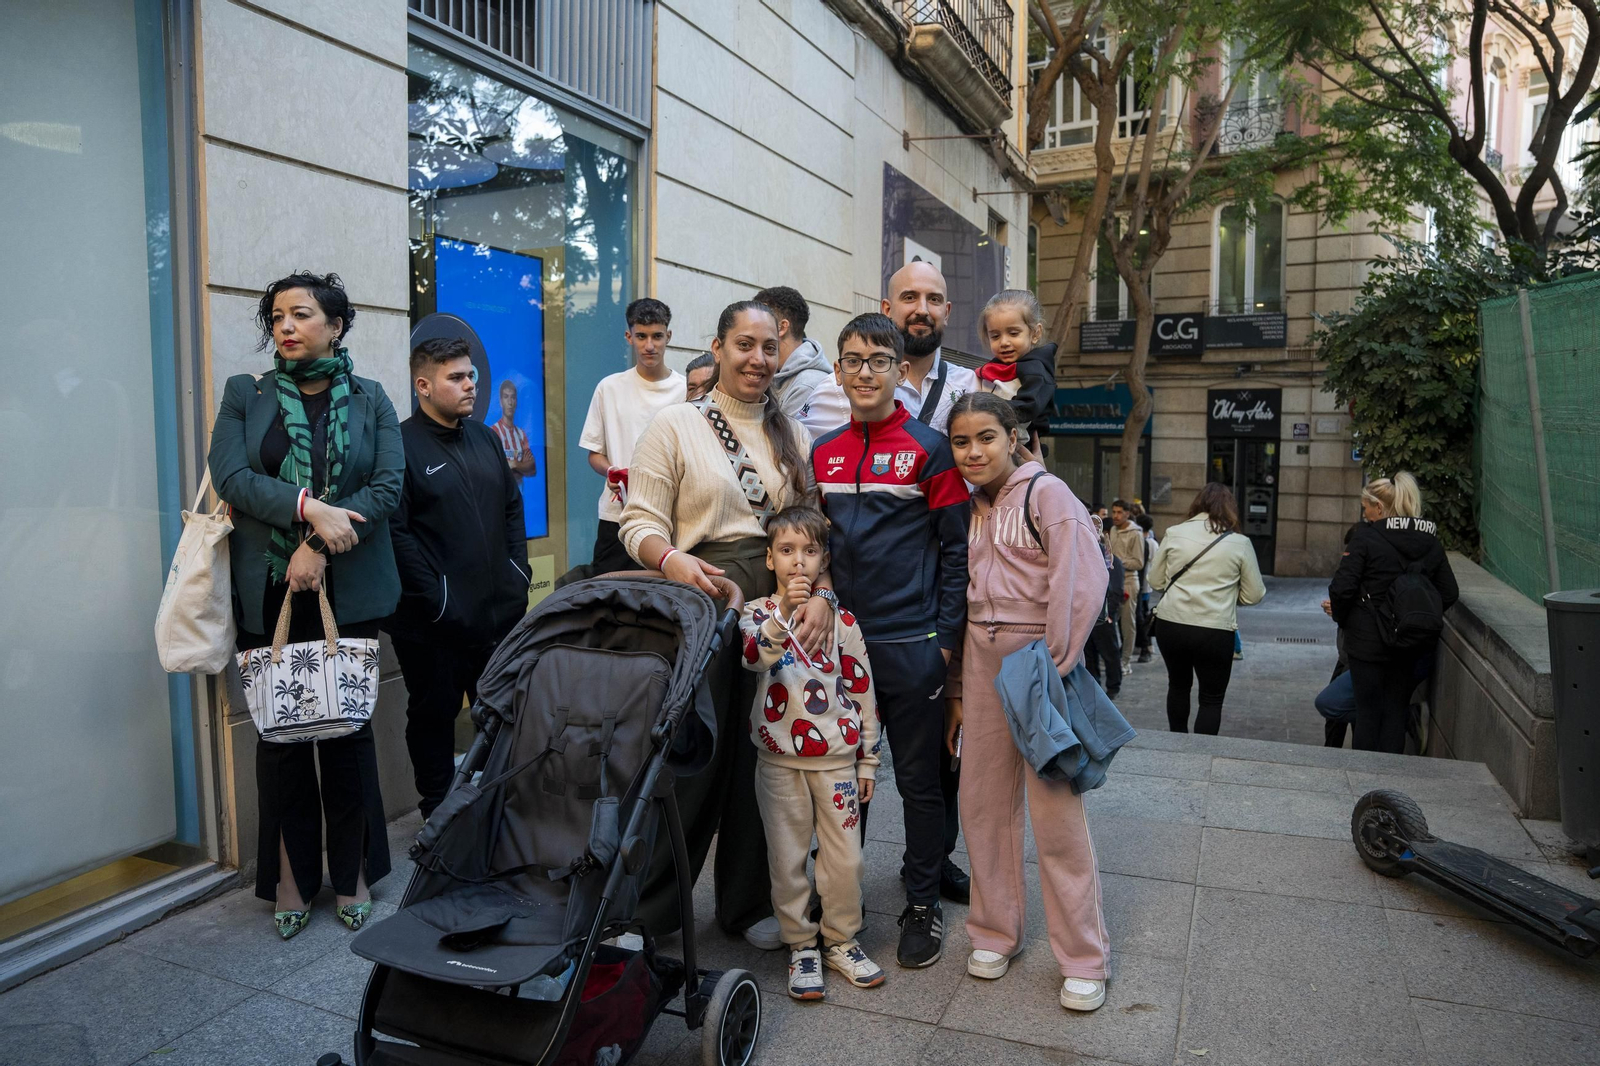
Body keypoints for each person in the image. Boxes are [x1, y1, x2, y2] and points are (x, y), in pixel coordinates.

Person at [619, 300, 826, 948]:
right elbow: (639, 522)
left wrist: (819, 592)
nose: (758, 358)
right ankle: (646, 912)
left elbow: (813, 532)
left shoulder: (794, 434)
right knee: (690, 763)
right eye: (744, 344)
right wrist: (674, 560)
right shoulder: (675, 425)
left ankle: (748, 904)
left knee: (766, 759)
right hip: (706, 603)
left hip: (781, 611)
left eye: (770, 347)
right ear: (717, 348)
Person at [208, 271, 402, 938]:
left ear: (336, 325)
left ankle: (350, 873)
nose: (285, 327)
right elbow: (233, 476)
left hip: (348, 586)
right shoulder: (246, 395)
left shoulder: (373, 399)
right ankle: (289, 876)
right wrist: (305, 506)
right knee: (280, 735)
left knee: (346, 731)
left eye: (300, 314)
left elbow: (386, 487)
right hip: (268, 590)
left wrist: (317, 542)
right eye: (277, 317)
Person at [810, 312, 970, 967]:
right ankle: (840, 905)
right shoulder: (823, 453)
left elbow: (957, 554)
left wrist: (944, 647)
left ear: (900, 370)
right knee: (845, 785)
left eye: (879, 360)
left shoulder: (930, 448)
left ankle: (923, 905)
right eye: (853, 360)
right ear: (839, 372)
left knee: (920, 785)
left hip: (913, 645)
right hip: (844, 651)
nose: (866, 372)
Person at [943, 391, 1111, 1012]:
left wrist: (1054, 663)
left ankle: (1084, 958)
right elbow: (961, 602)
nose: (973, 451)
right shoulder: (967, 506)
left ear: (1013, 436)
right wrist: (958, 686)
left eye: (985, 437)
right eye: (961, 442)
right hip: (981, 663)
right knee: (982, 803)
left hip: (1037, 664)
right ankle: (993, 932)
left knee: (1056, 812)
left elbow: (1083, 580)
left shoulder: (1049, 495)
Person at [739, 505, 886, 1000]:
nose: (797, 562)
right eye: (786, 551)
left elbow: (863, 691)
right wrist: (782, 614)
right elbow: (753, 659)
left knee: (845, 860)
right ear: (769, 558)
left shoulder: (842, 622)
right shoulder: (757, 615)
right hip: (778, 762)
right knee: (786, 859)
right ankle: (800, 942)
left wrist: (868, 759)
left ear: (823, 559)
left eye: (808, 551)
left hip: (838, 762)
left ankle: (841, 939)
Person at [385, 337, 531, 821]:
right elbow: (396, 532)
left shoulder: (486, 437)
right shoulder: (399, 446)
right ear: (423, 385)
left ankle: (494, 811)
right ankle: (438, 816)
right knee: (433, 717)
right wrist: (439, 599)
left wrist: (517, 573)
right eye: (457, 377)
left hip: (496, 616)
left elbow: (512, 509)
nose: (471, 385)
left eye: (471, 375)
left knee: (503, 716)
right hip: (434, 624)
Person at [1328, 472, 1459, 754]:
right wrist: (1414, 619)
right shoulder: (1430, 542)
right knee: (1395, 712)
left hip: (1367, 643)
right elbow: (1449, 592)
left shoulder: (1365, 538)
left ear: (1380, 507)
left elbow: (1341, 588)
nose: (1364, 515)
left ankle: (1365, 782)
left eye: (1366, 508)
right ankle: (1391, 785)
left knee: (1367, 714)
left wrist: (1347, 620)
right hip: (1408, 645)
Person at [798, 260, 978, 438]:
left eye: (934, 299)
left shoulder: (971, 386)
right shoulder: (840, 387)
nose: (922, 310)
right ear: (887, 309)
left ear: (946, 312)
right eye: (910, 297)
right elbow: (798, 453)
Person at [580, 298, 686, 575]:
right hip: (616, 515)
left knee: (662, 598)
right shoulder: (609, 388)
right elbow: (594, 453)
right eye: (641, 336)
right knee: (607, 592)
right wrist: (612, 471)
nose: (649, 345)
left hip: (669, 516)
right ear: (629, 337)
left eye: (656, 336)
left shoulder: (686, 390)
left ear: (668, 336)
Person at [1148, 484, 1266, 735]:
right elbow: (1254, 594)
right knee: (1211, 698)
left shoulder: (1174, 532)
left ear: (1197, 504)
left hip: (1171, 624)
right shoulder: (1240, 543)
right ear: (1230, 508)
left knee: (1178, 685)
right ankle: (1202, 753)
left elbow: (1155, 581)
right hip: (1215, 628)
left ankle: (1177, 742)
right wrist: (1228, 597)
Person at [975, 289, 1055, 453]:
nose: (1004, 342)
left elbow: (1028, 407)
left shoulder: (1036, 370)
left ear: (1035, 333)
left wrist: (985, 411)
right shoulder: (995, 367)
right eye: (995, 336)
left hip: (1021, 451)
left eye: (1013, 333)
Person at [754, 285, 834, 418]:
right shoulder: (775, 373)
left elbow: (784, 438)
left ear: (781, 327)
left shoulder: (807, 385)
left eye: (759, 321)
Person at [1082, 532, 1124, 698]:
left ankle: (1113, 687)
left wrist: (1109, 614)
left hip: (1103, 616)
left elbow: (1116, 590)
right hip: (1086, 615)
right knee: (1089, 653)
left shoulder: (1110, 559)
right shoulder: (1082, 556)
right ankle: (1094, 686)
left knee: (1109, 653)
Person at [1106, 500, 1145, 674]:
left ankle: (1125, 661)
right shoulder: (1112, 530)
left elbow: (1139, 562)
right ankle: (1113, 658)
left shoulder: (1136, 533)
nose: (1115, 515)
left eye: (1120, 512)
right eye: (1114, 511)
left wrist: (1118, 562)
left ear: (1127, 513)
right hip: (1112, 581)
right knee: (1110, 621)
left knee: (1128, 624)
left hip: (1129, 580)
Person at [491, 380, 536, 478]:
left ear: (516, 401)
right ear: (500, 401)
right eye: (506, 397)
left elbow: (532, 469)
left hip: (520, 492)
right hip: (500, 492)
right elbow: (492, 468)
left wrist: (514, 464)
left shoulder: (521, 434)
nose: (510, 402)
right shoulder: (493, 432)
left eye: (513, 397)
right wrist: (522, 466)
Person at [1134, 512, 1157, 663]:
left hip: (1142, 584)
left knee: (1140, 615)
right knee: (1142, 612)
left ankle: (1145, 644)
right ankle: (1144, 644)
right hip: (1146, 585)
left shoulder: (1145, 542)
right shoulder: (1153, 543)